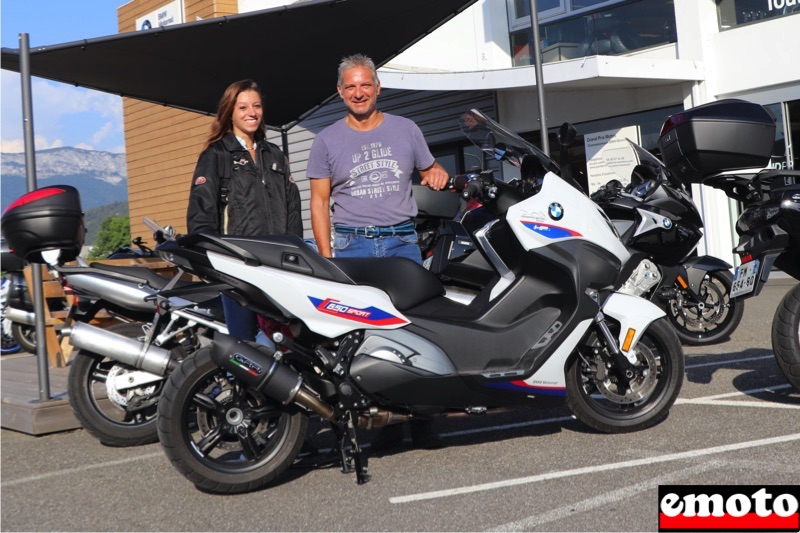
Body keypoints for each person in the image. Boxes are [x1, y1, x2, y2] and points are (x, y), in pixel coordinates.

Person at [306, 54, 449, 451]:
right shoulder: (326, 140)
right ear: (340, 92)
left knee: (415, 328)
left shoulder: (406, 130)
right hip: (355, 245)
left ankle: (423, 419)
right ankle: (384, 423)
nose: (358, 92)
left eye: (365, 84)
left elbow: (430, 171)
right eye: (350, 86)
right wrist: (326, 258)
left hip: (403, 241)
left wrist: (436, 173)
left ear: (377, 87)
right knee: (365, 334)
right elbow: (318, 203)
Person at [187, 79, 303, 342]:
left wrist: (296, 257)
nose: (252, 112)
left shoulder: (275, 155)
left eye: (257, 106)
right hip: (238, 268)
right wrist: (214, 264)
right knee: (244, 346)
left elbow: (293, 211)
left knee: (285, 343)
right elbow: (201, 214)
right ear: (230, 112)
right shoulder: (216, 155)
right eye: (243, 107)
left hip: (278, 268)